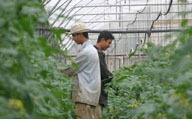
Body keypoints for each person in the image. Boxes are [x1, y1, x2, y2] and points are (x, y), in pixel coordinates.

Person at [64, 22, 101, 119]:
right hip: (89, 96)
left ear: (80, 34)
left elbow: (71, 69)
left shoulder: (86, 52)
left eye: (73, 35)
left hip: (85, 96)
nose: (73, 38)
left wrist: (54, 71)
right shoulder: (91, 50)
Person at [94, 31, 114, 115]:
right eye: (109, 42)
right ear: (102, 40)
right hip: (96, 95)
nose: (109, 45)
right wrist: (116, 80)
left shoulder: (93, 51)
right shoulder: (97, 53)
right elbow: (105, 74)